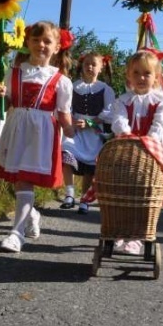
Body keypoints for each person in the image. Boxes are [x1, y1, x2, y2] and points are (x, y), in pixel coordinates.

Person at [0, 21, 76, 253]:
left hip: (42, 133)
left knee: (25, 178)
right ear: (27, 42)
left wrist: (70, 131)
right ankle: (31, 214)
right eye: (36, 40)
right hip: (16, 128)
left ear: (57, 47)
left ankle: (16, 233)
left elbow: (63, 112)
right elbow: (6, 103)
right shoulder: (13, 72)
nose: (41, 45)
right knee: (17, 178)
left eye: (47, 41)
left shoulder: (61, 80)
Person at [106, 49, 163, 254]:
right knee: (120, 190)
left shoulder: (160, 101)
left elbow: (159, 125)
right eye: (136, 73)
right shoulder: (122, 101)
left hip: (151, 153)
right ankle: (118, 231)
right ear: (128, 75)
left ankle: (137, 236)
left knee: (146, 193)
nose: (141, 78)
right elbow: (118, 120)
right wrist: (126, 135)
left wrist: (148, 141)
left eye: (147, 73)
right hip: (127, 151)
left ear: (155, 77)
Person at [60, 52, 115, 214]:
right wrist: (71, 123)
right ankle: (69, 194)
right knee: (66, 151)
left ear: (101, 68)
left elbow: (109, 114)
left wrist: (90, 123)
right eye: (86, 64)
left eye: (93, 64)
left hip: (94, 132)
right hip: (75, 130)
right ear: (82, 66)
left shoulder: (105, 89)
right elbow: (65, 108)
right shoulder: (73, 86)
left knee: (90, 166)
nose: (89, 67)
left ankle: (84, 199)